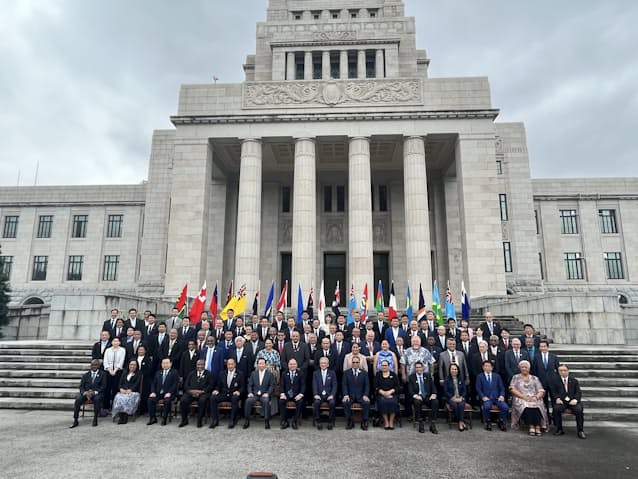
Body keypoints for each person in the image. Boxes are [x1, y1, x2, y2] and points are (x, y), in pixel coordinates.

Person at [509, 360, 549, 436]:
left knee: (537, 405)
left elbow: (541, 390)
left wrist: (536, 397)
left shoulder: (535, 378)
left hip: (534, 397)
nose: (524, 369)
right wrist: (523, 397)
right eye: (522, 367)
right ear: (519, 368)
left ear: (529, 368)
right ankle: (531, 426)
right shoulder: (515, 377)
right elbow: (512, 388)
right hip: (520, 397)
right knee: (526, 405)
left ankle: (537, 426)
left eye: (526, 367)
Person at [549, 365, 586, 439]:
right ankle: (559, 429)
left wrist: (575, 399)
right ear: (558, 372)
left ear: (568, 371)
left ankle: (580, 430)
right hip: (561, 401)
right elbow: (553, 392)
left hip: (572, 401)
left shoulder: (574, 380)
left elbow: (578, 392)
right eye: (561, 370)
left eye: (564, 370)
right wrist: (557, 398)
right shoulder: (554, 381)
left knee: (579, 409)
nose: (563, 372)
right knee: (556, 409)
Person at [210, 357, 245, 429]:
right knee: (213, 398)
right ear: (227, 365)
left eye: (232, 364)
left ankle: (232, 420)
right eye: (229, 364)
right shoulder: (222, 373)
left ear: (235, 364)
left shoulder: (240, 374)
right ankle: (215, 420)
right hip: (224, 394)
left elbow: (242, 387)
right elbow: (218, 385)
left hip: (234, 394)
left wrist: (239, 391)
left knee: (235, 399)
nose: (230, 366)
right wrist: (216, 390)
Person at [70, 359, 106, 428]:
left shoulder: (103, 374)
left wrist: (94, 392)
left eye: (96, 365)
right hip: (86, 393)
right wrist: (84, 392)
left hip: (96, 393)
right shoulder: (86, 375)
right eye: (92, 365)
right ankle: (75, 420)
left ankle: (95, 418)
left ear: (98, 365)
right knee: (78, 400)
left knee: (97, 399)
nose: (94, 366)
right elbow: (81, 386)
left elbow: (103, 386)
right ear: (90, 366)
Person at [178, 359, 213, 428]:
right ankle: (184, 420)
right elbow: (186, 385)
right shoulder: (191, 373)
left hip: (203, 393)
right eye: (198, 364)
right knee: (183, 400)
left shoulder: (208, 374)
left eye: (201, 364)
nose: (199, 366)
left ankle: (199, 420)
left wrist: (201, 392)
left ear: (204, 365)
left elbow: (210, 385)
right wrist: (191, 391)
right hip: (191, 393)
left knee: (202, 401)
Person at [475, 360, 509, 431]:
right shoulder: (480, 376)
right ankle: (487, 422)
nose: (487, 367)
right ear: (483, 367)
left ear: (492, 368)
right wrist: (483, 396)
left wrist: (502, 395)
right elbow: (478, 388)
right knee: (486, 407)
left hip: (497, 398)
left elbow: (502, 387)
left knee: (505, 407)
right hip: (486, 398)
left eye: (489, 366)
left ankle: (501, 421)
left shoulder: (497, 376)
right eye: (485, 366)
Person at [408, 361, 439, 434]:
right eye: (417, 367)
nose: (418, 369)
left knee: (435, 402)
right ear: (415, 369)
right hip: (418, 396)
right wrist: (415, 396)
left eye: (420, 367)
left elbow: (433, 387)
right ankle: (420, 422)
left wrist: (434, 394)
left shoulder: (428, 376)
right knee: (417, 402)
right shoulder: (411, 377)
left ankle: (433, 423)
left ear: (423, 368)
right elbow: (410, 390)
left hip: (427, 396)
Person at [244, 357, 275, 429]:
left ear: (265, 365)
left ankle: (267, 421)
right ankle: (247, 421)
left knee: (266, 401)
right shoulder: (253, 373)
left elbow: (271, 386)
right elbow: (249, 385)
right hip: (254, 394)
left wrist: (268, 393)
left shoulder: (269, 374)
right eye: (259, 363)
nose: (261, 365)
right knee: (248, 401)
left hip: (264, 394)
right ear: (257, 365)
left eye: (262, 363)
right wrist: (250, 392)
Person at [147, 358, 179, 426]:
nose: (165, 365)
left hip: (169, 393)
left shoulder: (174, 372)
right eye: (163, 363)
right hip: (158, 393)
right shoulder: (158, 372)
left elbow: (175, 384)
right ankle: (153, 418)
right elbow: (153, 384)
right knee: (150, 400)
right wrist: (153, 392)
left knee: (167, 401)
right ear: (161, 364)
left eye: (167, 363)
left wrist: (170, 392)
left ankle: (164, 418)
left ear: (170, 364)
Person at [342, 357, 370, 430]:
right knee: (345, 402)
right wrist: (346, 395)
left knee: (366, 402)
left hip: (361, 396)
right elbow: (344, 385)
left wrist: (365, 395)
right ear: (351, 363)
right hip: (350, 396)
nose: (355, 364)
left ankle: (364, 421)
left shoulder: (364, 373)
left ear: (359, 363)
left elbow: (367, 385)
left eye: (357, 362)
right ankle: (349, 421)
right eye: (353, 362)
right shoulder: (346, 373)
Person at [532, 340, 560, 413]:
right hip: (541, 383)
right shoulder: (536, 357)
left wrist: (556, 380)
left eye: (544, 346)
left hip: (552, 382)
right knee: (544, 402)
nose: (543, 348)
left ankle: (555, 417)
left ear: (548, 347)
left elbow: (558, 369)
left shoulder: (554, 357)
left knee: (554, 400)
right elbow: (534, 370)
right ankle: (546, 418)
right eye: (541, 347)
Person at [112, 359, 141, 424]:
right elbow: (120, 383)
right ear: (128, 365)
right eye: (131, 364)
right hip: (123, 391)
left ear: (137, 366)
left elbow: (137, 383)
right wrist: (121, 389)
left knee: (126, 398)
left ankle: (125, 417)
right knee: (118, 397)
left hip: (133, 392)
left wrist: (130, 390)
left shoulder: (139, 373)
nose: (132, 366)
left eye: (134, 365)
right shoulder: (125, 372)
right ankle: (121, 416)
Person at [278, 358, 305, 430]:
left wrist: (300, 394)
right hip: (286, 395)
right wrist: (282, 393)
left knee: (300, 402)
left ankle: (295, 421)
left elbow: (303, 385)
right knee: (281, 401)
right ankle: (285, 421)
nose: (292, 365)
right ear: (288, 365)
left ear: (297, 365)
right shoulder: (284, 373)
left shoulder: (301, 373)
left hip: (297, 395)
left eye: (294, 364)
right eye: (290, 364)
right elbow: (281, 385)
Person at [312, 356, 337, 430]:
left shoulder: (332, 373)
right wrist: (315, 394)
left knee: (332, 403)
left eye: (325, 363)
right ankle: (318, 420)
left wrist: (332, 395)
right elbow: (314, 384)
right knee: (316, 403)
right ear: (319, 364)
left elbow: (335, 385)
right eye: (321, 363)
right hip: (319, 395)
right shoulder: (315, 373)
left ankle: (330, 421)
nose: (323, 364)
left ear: (328, 364)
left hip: (329, 395)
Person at [375, 360, 400, 430]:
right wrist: (383, 393)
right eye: (382, 365)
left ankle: (391, 422)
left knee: (393, 402)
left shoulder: (393, 375)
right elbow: (376, 386)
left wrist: (390, 392)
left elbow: (397, 387)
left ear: (389, 366)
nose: (384, 367)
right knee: (383, 402)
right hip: (381, 394)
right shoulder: (378, 375)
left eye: (385, 365)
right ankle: (386, 422)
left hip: (392, 394)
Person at [103, 337, 126, 412]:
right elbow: (105, 361)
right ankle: (106, 406)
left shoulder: (122, 350)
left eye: (117, 341)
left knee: (115, 388)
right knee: (107, 388)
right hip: (108, 371)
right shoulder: (108, 350)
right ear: (111, 342)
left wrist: (115, 370)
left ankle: (114, 405)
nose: (115, 342)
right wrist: (110, 370)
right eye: (114, 341)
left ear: (119, 342)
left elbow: (121, 361)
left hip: (118, 371)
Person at [444, 363, 468, 431]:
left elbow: (464, 390)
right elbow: (446, 391)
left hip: (460, 398)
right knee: (454, 405)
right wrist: (453, 398)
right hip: (451, 398)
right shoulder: (447, 379)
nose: (454, 371)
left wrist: (461, 397)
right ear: (449, 370)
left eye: (455, 369)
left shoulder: (461, 379)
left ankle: (460, 421)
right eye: (452, 369)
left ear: (458, 370)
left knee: (461, 404)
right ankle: (461, 421)